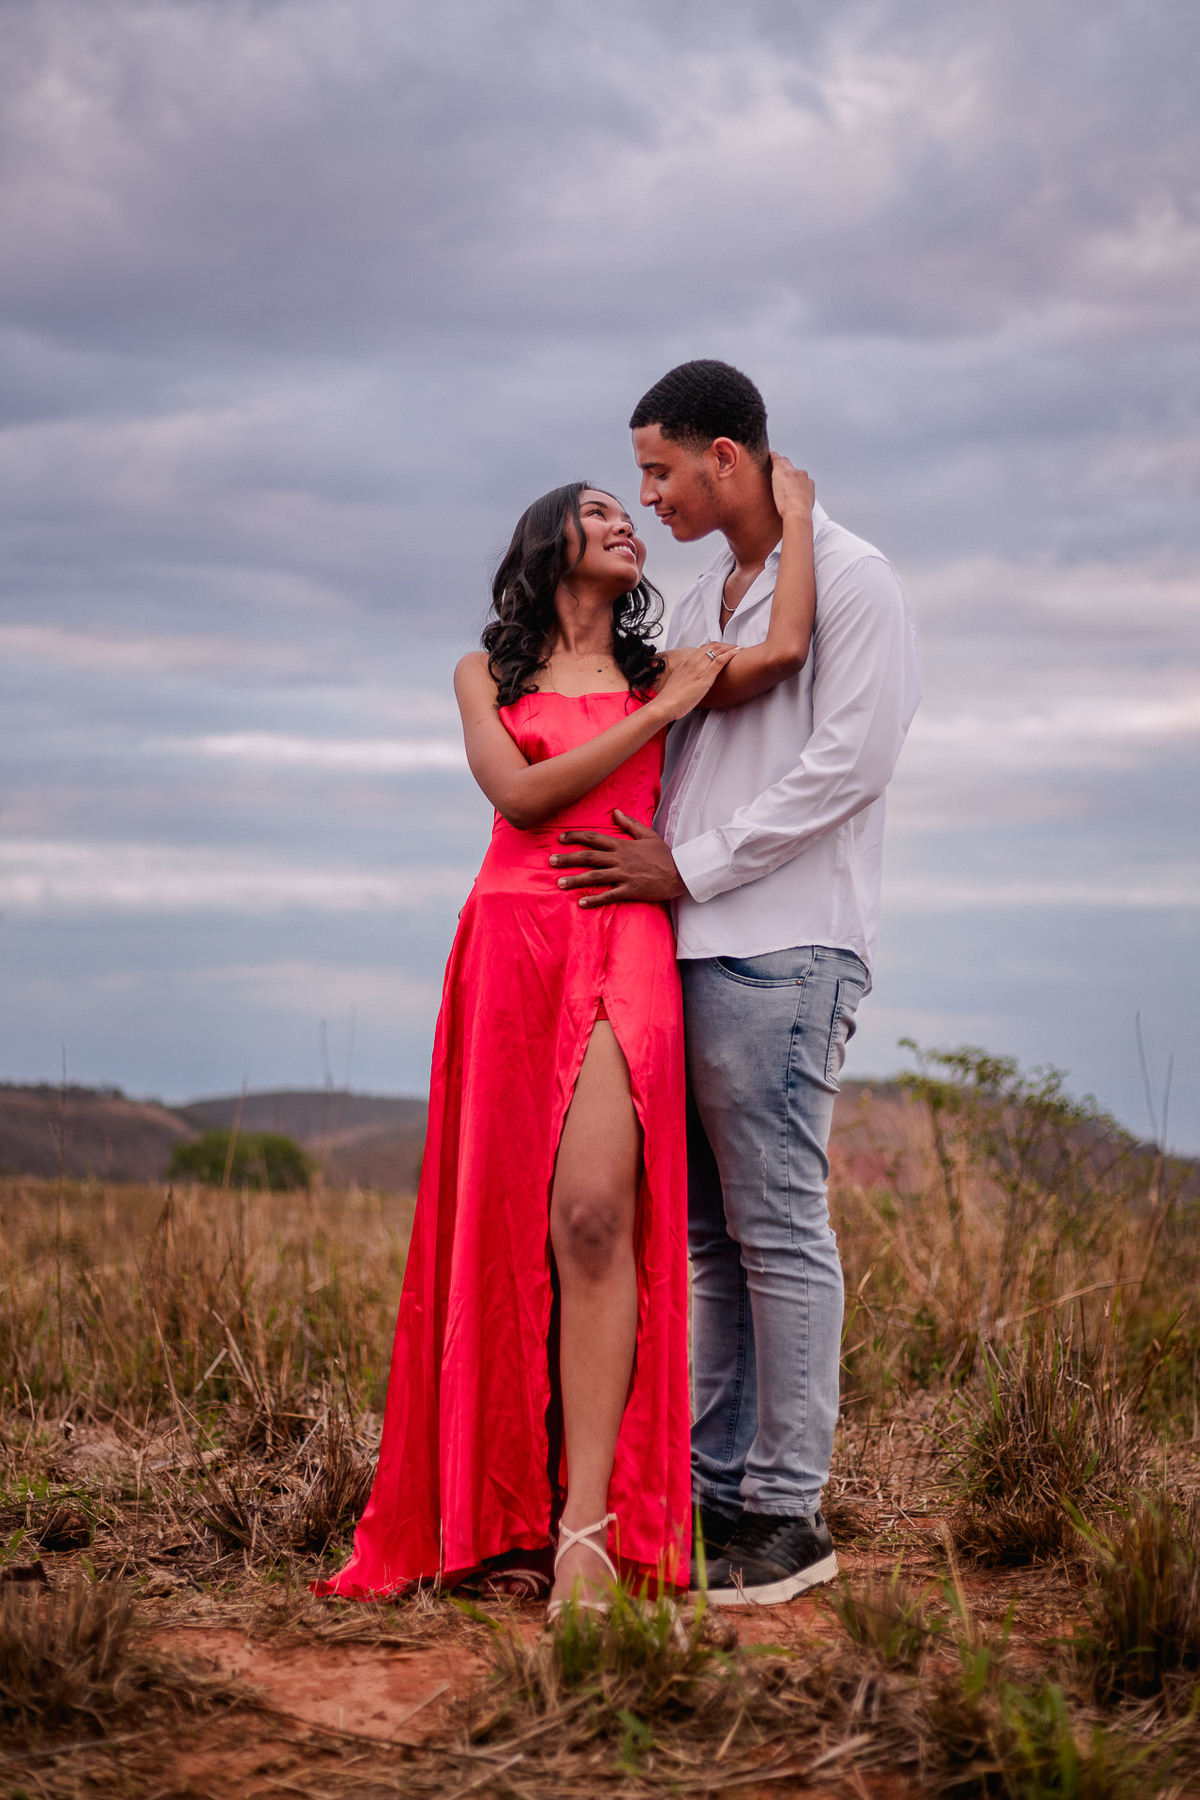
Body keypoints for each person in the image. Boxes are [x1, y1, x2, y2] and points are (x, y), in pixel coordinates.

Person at [315, 461, 818, 1614]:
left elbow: (786, 650)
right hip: (511, 945)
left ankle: (587, 1527)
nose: (625, 521)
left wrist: (794, 515)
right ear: (548, 545)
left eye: (627, 509)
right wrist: (656, 716)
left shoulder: (668, 663)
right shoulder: (485, 673)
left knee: (595, 1216)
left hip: (623, 935)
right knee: (501, 1231)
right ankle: (496, 1514)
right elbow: (522, 800)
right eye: (598, 511)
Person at [551, 361, 921, 1606]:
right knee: (711, 1241)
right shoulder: (716, 594)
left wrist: (688, 866)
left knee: (777, 1229)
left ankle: (786, 1513)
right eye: (637, 476)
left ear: (728, 456)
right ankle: (715, 1496)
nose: (648, 494)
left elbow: (843, 769)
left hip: (784, 943)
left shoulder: (858, 580)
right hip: (689, 944)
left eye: (661, 469)